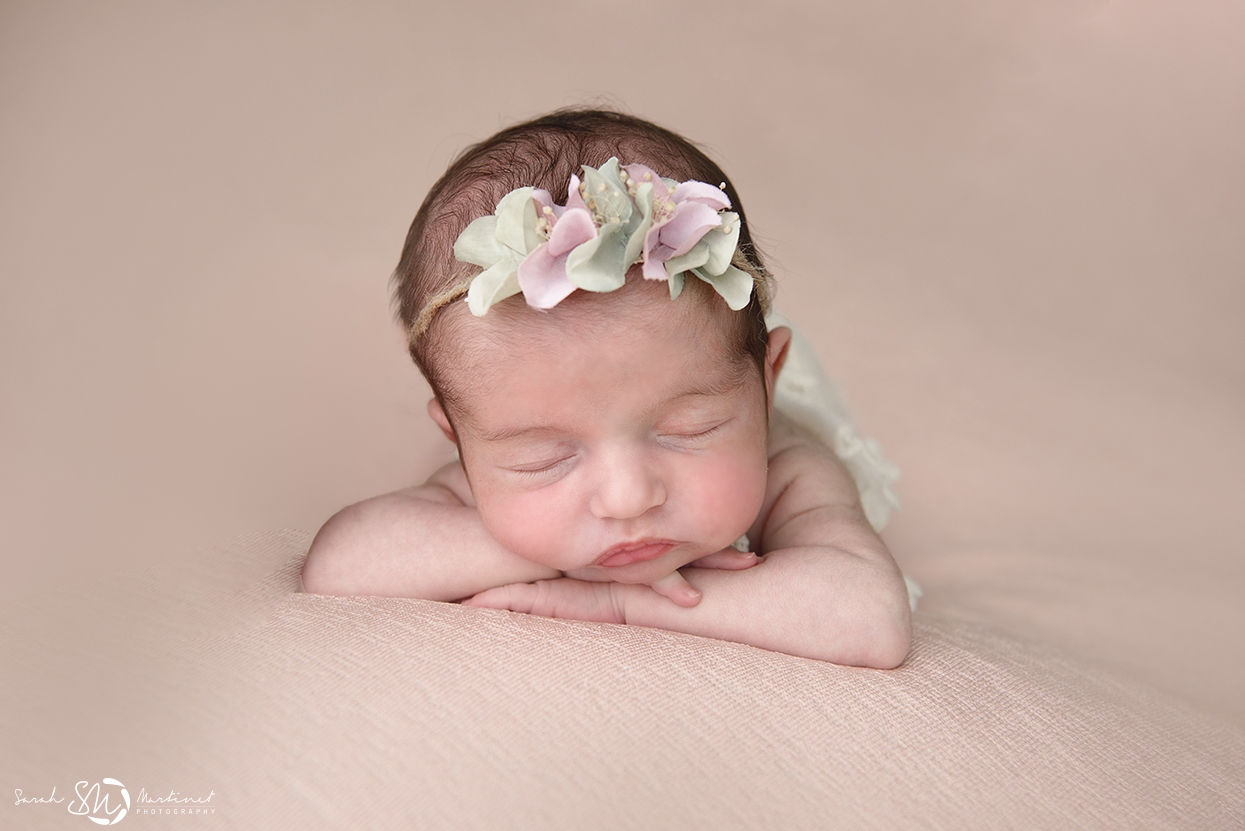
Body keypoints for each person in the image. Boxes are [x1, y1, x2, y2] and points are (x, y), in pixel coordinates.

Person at [301, 109, 915, 668]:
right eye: (544, 458)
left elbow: (869, 620)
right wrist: (562, 553)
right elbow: (339, 565)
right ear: (459, 441)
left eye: (687, 431)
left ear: (767, 382)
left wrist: (620, 603)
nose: (627, 499)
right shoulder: (505, 438)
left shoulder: (789, 467)